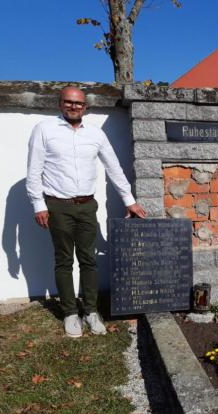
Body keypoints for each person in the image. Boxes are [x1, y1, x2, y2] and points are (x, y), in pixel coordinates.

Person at [26, 86, 147, 337]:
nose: (74, 106)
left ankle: (91, 311)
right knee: (64, 260)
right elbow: (34, 170)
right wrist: (38, 204)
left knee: (88, 259)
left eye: (78, 103)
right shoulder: (44, 130)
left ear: (85, 107)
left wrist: (129, 200)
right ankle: (70, 313)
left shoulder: (96, 134)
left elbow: (114, 167)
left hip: (87, 206)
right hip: (58, 206)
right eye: (69, 102)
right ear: (60, 103)